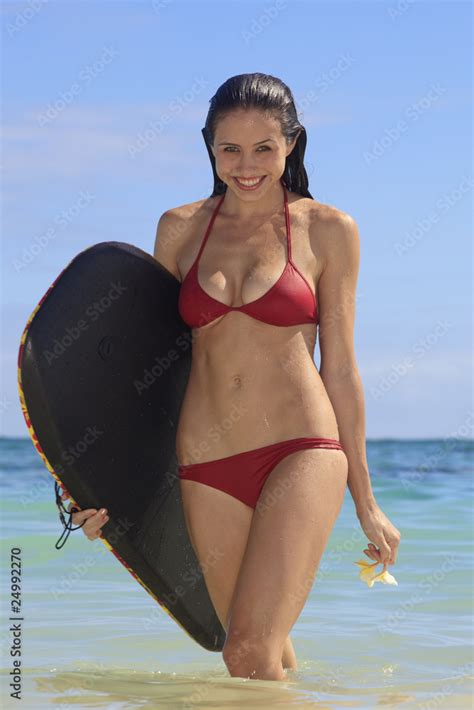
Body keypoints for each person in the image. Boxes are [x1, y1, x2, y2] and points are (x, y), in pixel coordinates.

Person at [61, 72, 401, 681]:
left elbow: (343, 370)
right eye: (230, 149)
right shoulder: (181, 228)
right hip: (206, 463)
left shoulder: (328, 230)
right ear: (209, 147)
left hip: (302, 449)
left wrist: (366, 501)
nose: (247, 165)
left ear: (292, 144)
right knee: (256, 651)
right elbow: (143, 366)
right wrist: (90, 474)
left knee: (248, 649)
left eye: (265, 148)